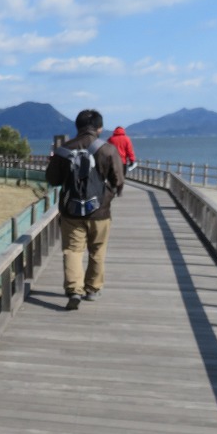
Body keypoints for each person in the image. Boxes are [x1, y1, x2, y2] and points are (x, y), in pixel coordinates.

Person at [45, 109, 124, 310]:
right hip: (100, 212)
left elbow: (52, 179)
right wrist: (108, 196)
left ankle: (74, 290)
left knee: (72, 250)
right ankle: (92, 289)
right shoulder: (108, 150)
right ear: (100, 128)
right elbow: (118, 180)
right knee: (97, 250)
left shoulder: (63, 151)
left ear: (77, 126)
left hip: (71, 211)